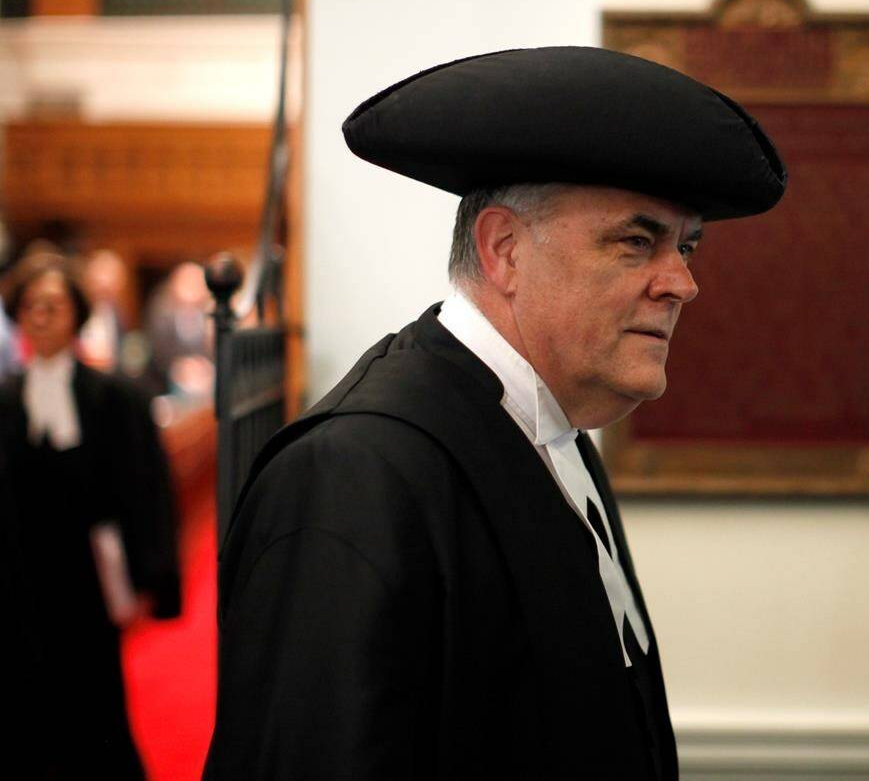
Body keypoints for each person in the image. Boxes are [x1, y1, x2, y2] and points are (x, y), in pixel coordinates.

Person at [202, 46, 788, 779]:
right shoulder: (356, 472)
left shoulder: (553, 431)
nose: (682, 283)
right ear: (505, 251)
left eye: (687, 247)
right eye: (637, 242)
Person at [0, 251, 181, 779]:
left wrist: (152, 574)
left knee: (92, 689)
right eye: (31, 306)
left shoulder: (115, 396)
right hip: (20, 574)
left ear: (76, 314)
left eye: (53, 306)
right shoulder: (6, 400)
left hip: (87, 573)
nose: (41, 316)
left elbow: (146, 489)